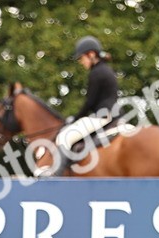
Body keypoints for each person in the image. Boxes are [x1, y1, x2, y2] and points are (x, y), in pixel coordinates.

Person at [44, 36, 120, 176]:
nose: (81, 62)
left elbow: (90, 102)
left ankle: (56, 175)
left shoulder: (96, 73)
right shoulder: (107, 70)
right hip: (114, 114)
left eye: (82, 58)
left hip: (102, 117)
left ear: (91, 54)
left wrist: (75, 119)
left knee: (64, 137)